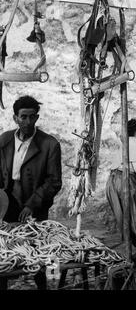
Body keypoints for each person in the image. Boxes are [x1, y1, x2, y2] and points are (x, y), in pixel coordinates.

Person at [0, 95, 62, 289]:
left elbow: (54, 181)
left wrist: (32, 204)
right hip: (7, 201)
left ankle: (48, 286)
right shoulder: (4, 139)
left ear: (37, 118)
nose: (28, 122)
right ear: (15, 118)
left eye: (32, 117)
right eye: (23, 117)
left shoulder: (49, 144)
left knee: (41, 251)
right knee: (6, 250)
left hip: (34, 203)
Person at [106, 119, 136, 266]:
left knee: (122, 218)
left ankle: (130, 251)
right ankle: (135, 253)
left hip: (112, 181)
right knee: (134, 218)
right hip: (125, 181)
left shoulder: (123, 144)